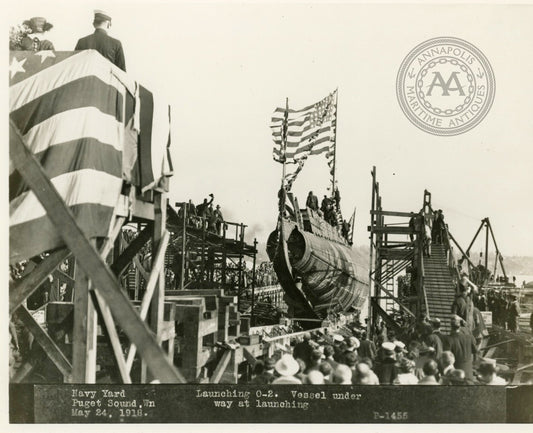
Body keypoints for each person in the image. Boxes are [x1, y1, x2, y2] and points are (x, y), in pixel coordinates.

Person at [442, 316, 477, 380]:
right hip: (469, 372)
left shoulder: (448, 339)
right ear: (460, 327)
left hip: (456, 373)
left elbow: (447, 357)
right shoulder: (470, 337)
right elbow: (475, 351)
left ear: (451, 327)